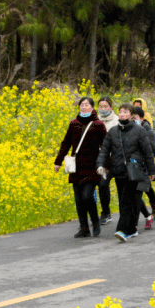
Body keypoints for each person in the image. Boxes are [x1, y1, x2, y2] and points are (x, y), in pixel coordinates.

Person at [96, 103, 155, 242]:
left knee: (126, 201)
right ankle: (133, 228)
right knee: (132, 202)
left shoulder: (139, 131)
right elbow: (105, 150)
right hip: (119, 172)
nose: (122, 114)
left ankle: (123, 230)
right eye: (120, 112)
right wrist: (100, 165)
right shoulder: (113, 131)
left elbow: (148, 152)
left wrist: (151, 170)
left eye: (125, 112)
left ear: (131, 115)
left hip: (135, 171)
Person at [54, 97, 108, 238]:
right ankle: (84, 228)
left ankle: (95, 221)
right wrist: (58, 162)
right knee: (78, 199)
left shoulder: (98, 125)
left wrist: (105, 164)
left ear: (92, 107)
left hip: (92, 167)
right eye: (82, 105)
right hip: (76, 167)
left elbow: (105, 146)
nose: (84, 107)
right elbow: (66, 143)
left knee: (87, 196)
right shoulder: (74, 124)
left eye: (86, 105)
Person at [132, 106, 155, 230]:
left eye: (134, 118)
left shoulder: (148, 131)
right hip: (131, 167)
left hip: (145, 167)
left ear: (141, 118)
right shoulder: (127, 130)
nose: (132, 120)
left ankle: (133, 225)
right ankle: (146, 215)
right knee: (135, 193)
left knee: (138, 192)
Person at [96, 97, 118, 226]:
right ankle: (106, 213)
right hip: (103, 159)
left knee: (124, 187)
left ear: (111, 107)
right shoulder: (96, 120)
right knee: (103, 185)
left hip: (116, 158)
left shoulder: (117, 121)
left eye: (105, 106)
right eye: (101, 106)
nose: (103, 109)